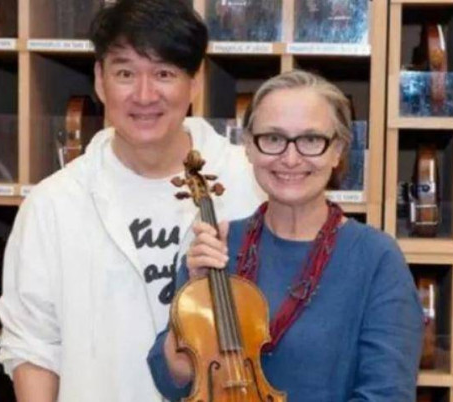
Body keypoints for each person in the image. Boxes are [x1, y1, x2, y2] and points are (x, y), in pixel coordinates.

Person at [0, 1, 263, 401]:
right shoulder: (53, 203)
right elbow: (33, 347)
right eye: (125, 73)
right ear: (100, 80)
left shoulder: (250, 183)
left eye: (164, 73)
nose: (144, 95)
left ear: (195, 82)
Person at [148, 70, 424, 401]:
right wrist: (195, 296)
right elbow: (171, 381)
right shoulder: (218, 244)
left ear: (337, 151)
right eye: (273, 139)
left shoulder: (376, 257)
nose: (290, 159)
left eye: (311, 140)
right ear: (249, 147)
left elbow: (387, 394)